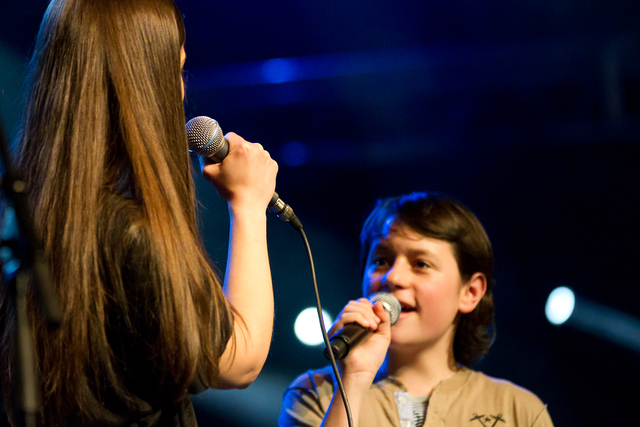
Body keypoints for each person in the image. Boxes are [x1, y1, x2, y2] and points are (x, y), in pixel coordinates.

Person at [0, 0, 277, 425]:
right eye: (175, 70)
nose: (182, 91)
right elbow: (239, 361)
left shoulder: (20, 227)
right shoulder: (129, 236)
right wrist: (250, 204)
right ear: (140, 81)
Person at [279, 192, 554, 426]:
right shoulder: (316, 394)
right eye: (382, 260)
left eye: (421, 264)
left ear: (470, 292)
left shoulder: (519, 411)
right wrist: (353, 379)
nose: (393, 278)